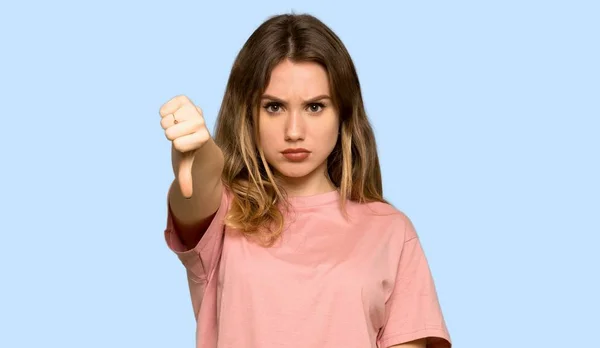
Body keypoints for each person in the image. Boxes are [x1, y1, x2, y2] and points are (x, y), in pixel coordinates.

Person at [159, 13, 451, 348]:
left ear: (342, 113)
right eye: (274, 107)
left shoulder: (391, 231)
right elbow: (198, 184)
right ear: (247, 114)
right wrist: (198, 151)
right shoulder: (223, 217)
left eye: (314, 107)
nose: (294, 132)